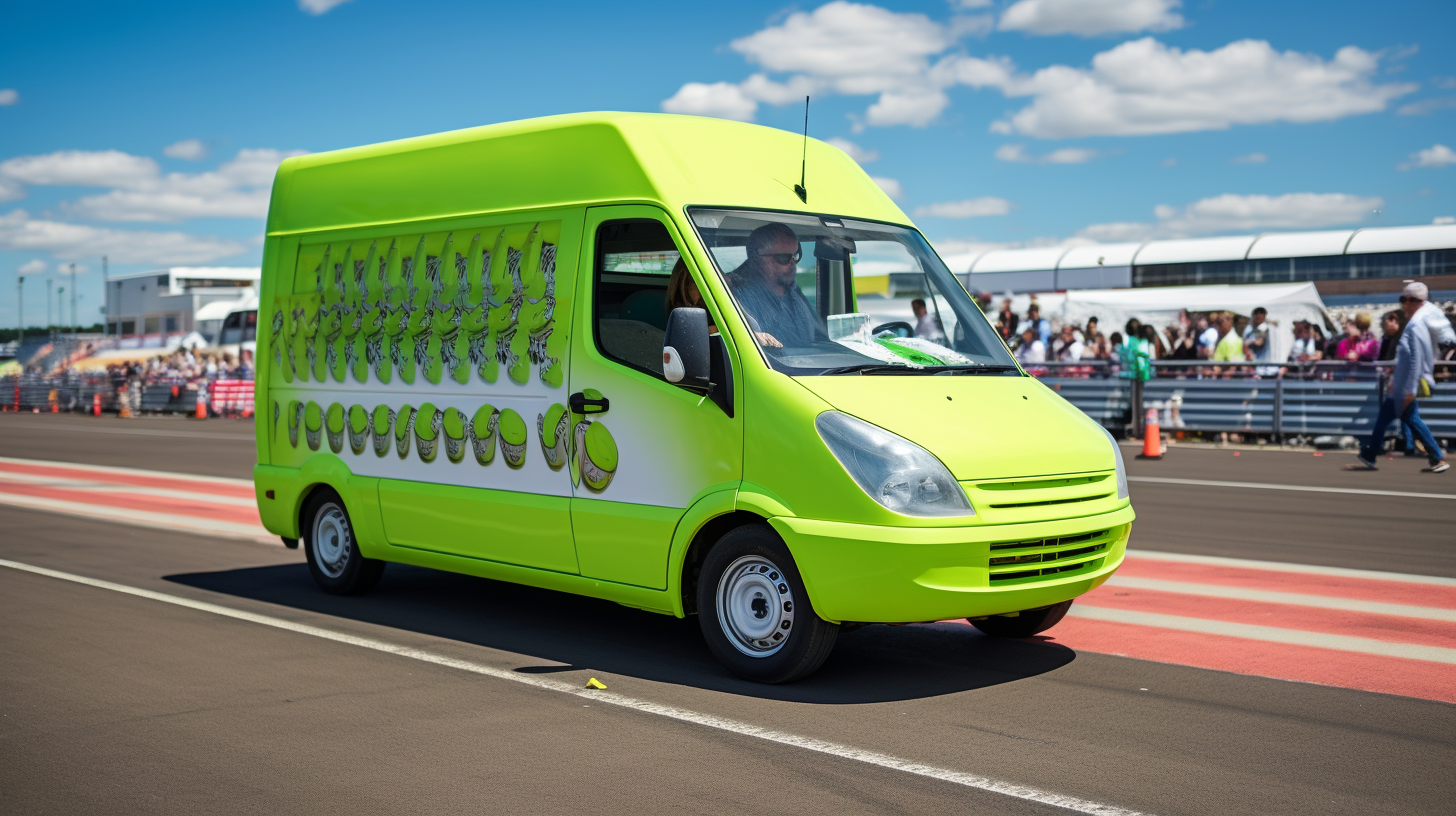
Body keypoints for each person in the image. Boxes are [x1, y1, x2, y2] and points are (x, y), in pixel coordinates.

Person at [1347, 293, 1448, 472]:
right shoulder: (1405, 334)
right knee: (1412, 421)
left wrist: (1406, 387)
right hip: (1403, 386)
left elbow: (1413, 361)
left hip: (1402, 388)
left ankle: (1371, 455)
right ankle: (1436, 457)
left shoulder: (1410, 333)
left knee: (1385, 421)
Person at [724, 223, 824, 349]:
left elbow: (820, 337)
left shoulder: (793, 291)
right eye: (784, 258)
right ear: (757, 258)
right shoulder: (733, 294)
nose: (792, 263)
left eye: (796, 256)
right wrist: (750, 338)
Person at [1402, 280, 1456, 355]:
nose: (1405, 304)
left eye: (1412, 300)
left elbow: (1447, 340)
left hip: (1441, 356)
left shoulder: (1422, 316)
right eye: (1403, 300)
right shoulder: (1429, 310)